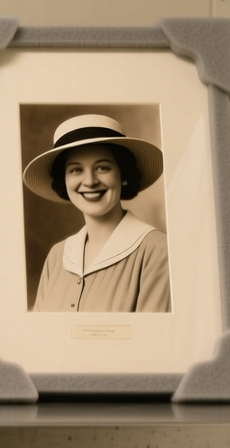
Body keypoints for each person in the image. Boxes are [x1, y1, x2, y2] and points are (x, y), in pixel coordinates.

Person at [22, 114, 170, 313]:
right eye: (76, 170)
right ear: (64, 180)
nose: (90, 181)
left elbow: (153, 332)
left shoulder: (158, 251)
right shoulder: (57, 256)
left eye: (102, 168)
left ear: (122, 173)